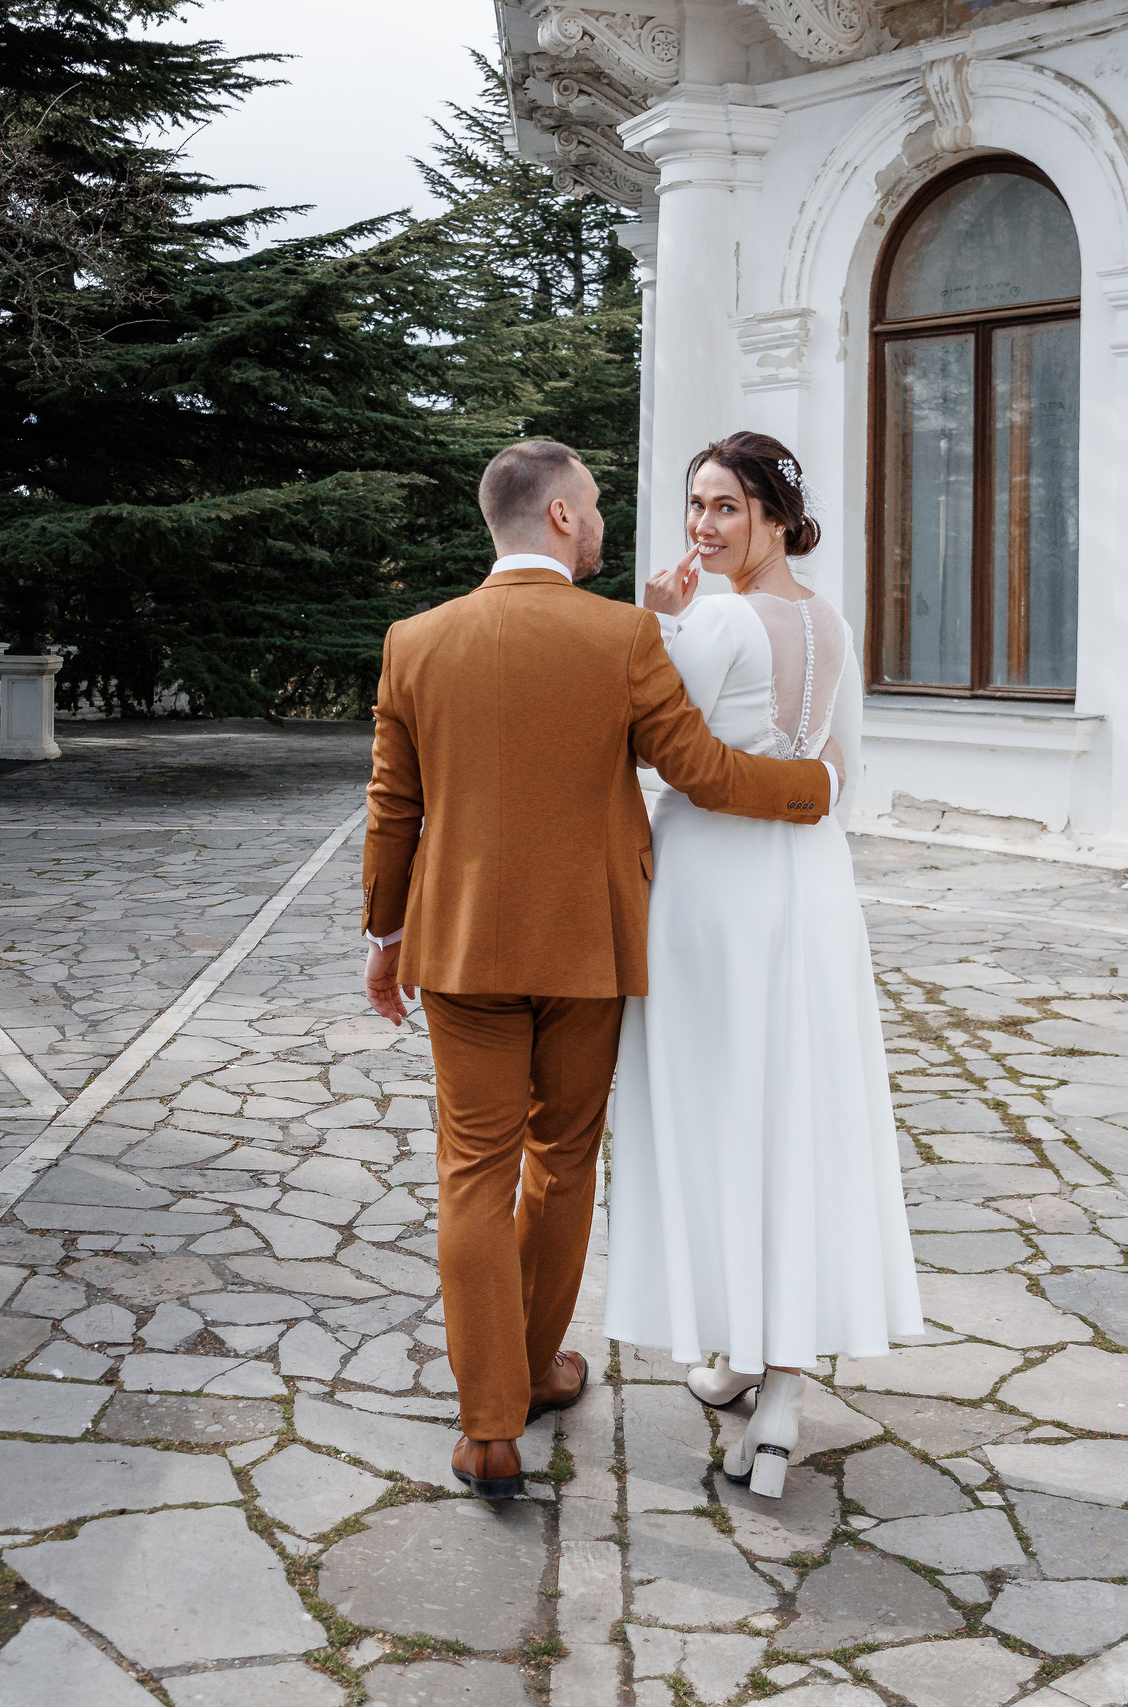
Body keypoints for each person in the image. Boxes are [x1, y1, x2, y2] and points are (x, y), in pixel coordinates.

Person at [359, 438, 841, 1499]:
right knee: (559, 1161)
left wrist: (383, 939)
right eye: (596, 506)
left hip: (461, 947)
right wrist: (814, 790)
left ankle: (489, 1427)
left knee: (470, 1172)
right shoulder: (623, 636)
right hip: (587, 948)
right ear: (564, 520)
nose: (611, 522)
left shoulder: (415, 640)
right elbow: (702, 772)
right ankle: (536, 1369)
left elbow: (394, 804)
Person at [607, 431, 922, 1499]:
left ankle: (762, 1368)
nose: (703, 525)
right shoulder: (832, 624)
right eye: (696, 505)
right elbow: (838, 776)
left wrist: (658, 621)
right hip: (812, 887)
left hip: (712, 890)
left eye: (725, 508)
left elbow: (651, 741)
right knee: (799, 1116)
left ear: (776, 516)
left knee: (727, 1118)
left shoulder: (714, 617)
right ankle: (765, 1378)